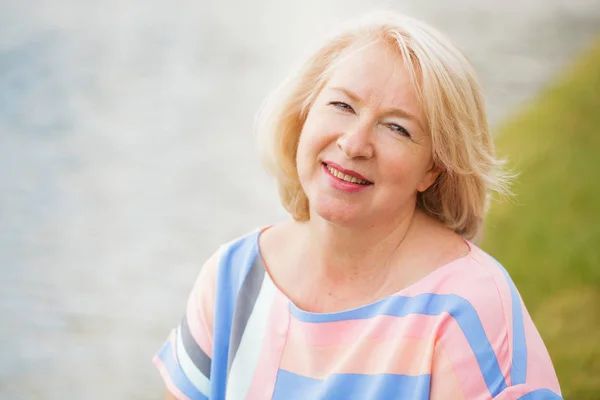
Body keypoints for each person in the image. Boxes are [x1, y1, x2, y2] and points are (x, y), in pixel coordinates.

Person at [153, 11, 562, 400]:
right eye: (342, 106)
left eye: (397, 128)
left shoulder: (470, 309)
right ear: (303, 117)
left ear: (433, 169)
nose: (353, 143)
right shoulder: (232, 279)